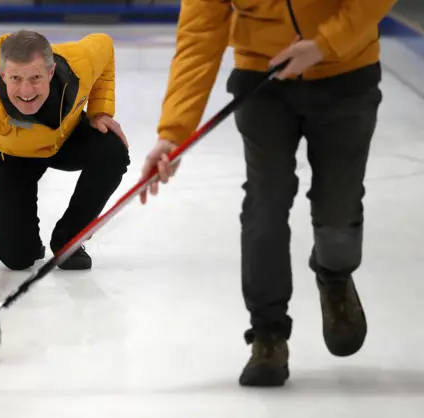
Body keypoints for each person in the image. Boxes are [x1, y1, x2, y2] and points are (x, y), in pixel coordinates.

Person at [140, 0, 397, 387]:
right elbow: (199, 35)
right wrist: (172, 134)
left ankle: (335, 274)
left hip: (347, 73)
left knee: (338, 213)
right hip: (264, 76)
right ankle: (267, 336)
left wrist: (324, 44)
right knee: (265, 204)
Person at [0, 30, 130, 288]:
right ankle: (28, 244)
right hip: (13, 158)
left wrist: (101, 111)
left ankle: (70, 238)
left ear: (51, 73)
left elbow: (105, 45)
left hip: (65, 140)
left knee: (112, 147)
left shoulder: (80, 63)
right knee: (17, 258)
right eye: (16, 79)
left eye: (35, 78)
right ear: (2, 75)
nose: (26, 90)